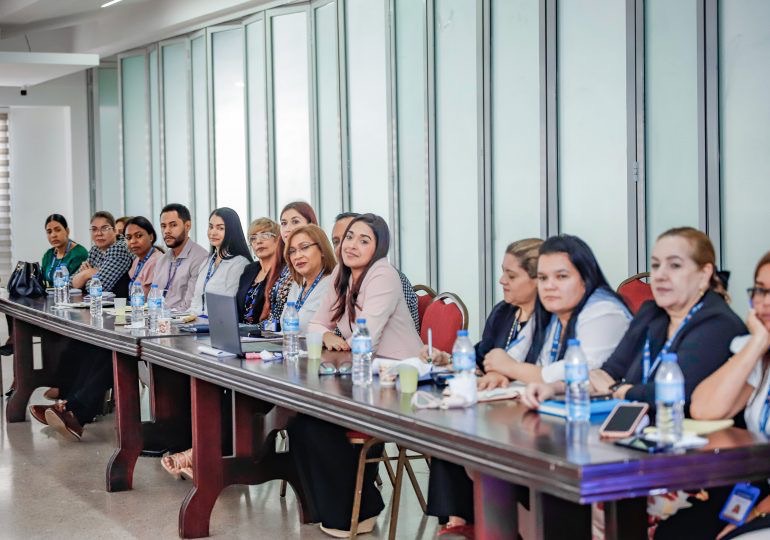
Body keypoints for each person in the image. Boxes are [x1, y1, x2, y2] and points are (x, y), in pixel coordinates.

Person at [520, 228, 747, 540]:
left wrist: (620, 389)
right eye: (656, 265)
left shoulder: (717, 322)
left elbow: (675, 394)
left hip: (696, 467)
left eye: (674, 265)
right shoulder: (653, 314)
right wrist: (555, 388)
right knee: (552, 493)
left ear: (704, 274)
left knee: (581, 501)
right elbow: (610, 371)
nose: (661, 275)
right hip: (639, 449)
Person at [292, 214, 423, 537]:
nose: (351, 245)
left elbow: (367, 337)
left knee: (320, 425)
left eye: (364, 240)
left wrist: (339, 340)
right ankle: (338, 509)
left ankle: (361, 509)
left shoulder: (384, 276)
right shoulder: (342, 272)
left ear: (379, 248)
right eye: (349, 237)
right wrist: (327, 335)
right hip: (363, 374)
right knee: (301, 421)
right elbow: (316, 324)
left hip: (398, 379)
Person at [423, 238, 542, 535]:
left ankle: (477, 521)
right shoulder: (504, 312)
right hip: (492, 408)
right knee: (449, 428)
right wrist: (449, 359)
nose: (502, 280)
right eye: (502, 272)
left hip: (526, 416)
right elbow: (480, 356)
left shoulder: (550, 319)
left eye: (511, 275)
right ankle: (458, 519)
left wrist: (505, 373)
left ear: (537, 279)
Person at [689, 252, 770, 540]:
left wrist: (756, 513)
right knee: (677, 532)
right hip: (758, 488)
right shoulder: (759, 354)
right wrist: (757, 343)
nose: (765, 302)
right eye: (760, 290)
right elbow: (704, 409)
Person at [484, 234, 631, 387]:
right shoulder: (552, 311)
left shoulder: (605, 312)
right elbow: (510, 356)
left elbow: (577, 371)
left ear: (585, 279)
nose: (549, 286)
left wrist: (511, 368)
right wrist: (498, 374)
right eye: (543, 278)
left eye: (561, 277)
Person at [0, 214, 88, 360]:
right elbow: (43, 281)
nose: (53, 235)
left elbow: (74, 283)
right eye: (49, 231)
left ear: (67, 231)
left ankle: (15, 341)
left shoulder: (79, 253)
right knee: (15, 303)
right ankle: (15, 342)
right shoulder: (49, 254)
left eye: (57, 230)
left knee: (26, 325)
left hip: (70, 306)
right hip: (50, 303)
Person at [332, 211, 420, 332]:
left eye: (362, 240)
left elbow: (365, 334)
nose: (344, 246)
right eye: (336, 242)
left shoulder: (387, 279)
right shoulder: (344, 277)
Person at [263, 201, 318, 329]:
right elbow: (273, 317)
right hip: (277, 333)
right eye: (283, 223)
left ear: (311, 225)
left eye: (295, 222)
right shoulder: (283, 265)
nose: (288, 228)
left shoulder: (309, 266)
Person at [188, 207, 252, 316]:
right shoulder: (207, 262)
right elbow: (196, 300)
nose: (213, 232)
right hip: (196, 321)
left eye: (220, 228)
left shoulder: (239, 263)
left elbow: (229, 302)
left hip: (219, 323)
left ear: (232, 231)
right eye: (211, 227)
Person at [150, 203, 209, 312]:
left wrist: (164, 316)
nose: (167, 231)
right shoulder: (162, 260)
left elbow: (190, 306)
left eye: (173, 225)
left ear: (187, 226)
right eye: (163, 226)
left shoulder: (200, 258)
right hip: (158, 318)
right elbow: (153, 297)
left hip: (182, 320)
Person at [281, 224, 336, 332]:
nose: (297, 256)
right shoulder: (296, 286)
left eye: (305, 247)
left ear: (322, 250)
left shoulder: (333, 285)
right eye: (292, 251)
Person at [70, 211, 134, 296]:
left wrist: (86, 274)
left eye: (104, 228)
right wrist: (90, 273)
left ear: (115, 230)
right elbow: (70, 283)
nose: (99, 233)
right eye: (94, 229)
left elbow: (98, 288)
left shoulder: (119, 248)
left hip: (121, 303)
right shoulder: (95, 250)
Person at [236, 218, 280, 324]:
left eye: (265, 235)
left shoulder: (284, 271)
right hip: (241, 331)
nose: (258, 241)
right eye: (253, 238)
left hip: (266, 331)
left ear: (278, 240)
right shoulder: (249, 270)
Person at [123, 216, 163, 297]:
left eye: (138, 236)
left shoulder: (158, 261)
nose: (133, 241)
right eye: (128, 238)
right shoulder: (137, 260)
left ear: (151, 237)